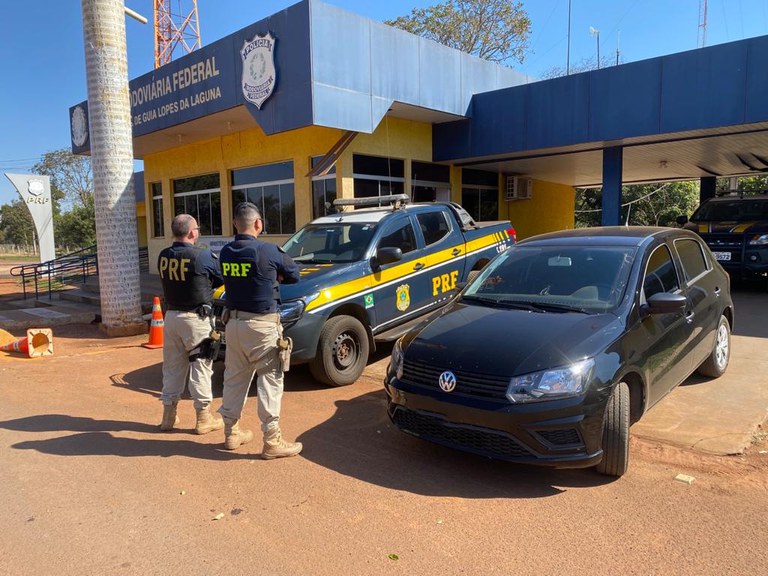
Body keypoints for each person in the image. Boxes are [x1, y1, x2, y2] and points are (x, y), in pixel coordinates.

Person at [218, 202, 302, 459]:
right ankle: (272, 440)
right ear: (258, 224)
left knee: (234, 378)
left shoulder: (225, 252)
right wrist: (273, 275)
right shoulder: (268, 251)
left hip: (233, 325)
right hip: (263, 327)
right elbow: (294, 274)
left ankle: (231, 433)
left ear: (235, 224)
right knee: (270, 380)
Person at [157, 214, 225, 435]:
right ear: (191, 232)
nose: (198, 231)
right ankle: (203, 418)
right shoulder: (202, 255)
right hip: (196, 320)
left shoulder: (163, 255)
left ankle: (168, 416)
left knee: (172, 367)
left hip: (172, 318)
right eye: (197, 228)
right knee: (201, 367)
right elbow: (221, 278)